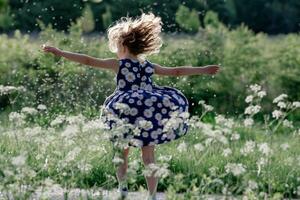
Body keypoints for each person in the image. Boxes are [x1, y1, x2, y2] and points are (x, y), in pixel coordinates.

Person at [42, 12, 220, 200]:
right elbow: (176, 71)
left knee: (122, 153)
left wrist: (60, 53)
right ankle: (152, 196)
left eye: (116, 45)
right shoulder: (148, 66)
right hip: (149, 109)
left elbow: (87, 60)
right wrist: (203, 70)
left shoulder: (119, 64)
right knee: (149, 157)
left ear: (123, 45)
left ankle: (123, 189)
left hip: (126, 109)